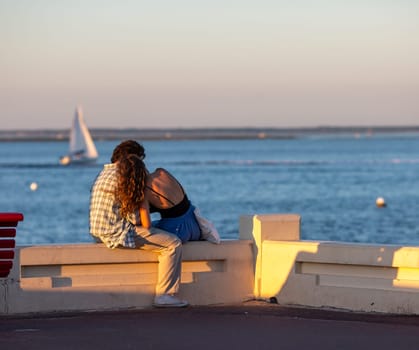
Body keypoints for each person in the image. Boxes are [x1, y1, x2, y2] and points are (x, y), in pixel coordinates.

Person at [89, 140, 188, 308]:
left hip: (97, 231)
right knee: (173, 243)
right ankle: (165, 294)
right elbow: (139, 222)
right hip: (116, 232)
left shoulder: (104, 173)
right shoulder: (125, 176)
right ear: (132, 158)